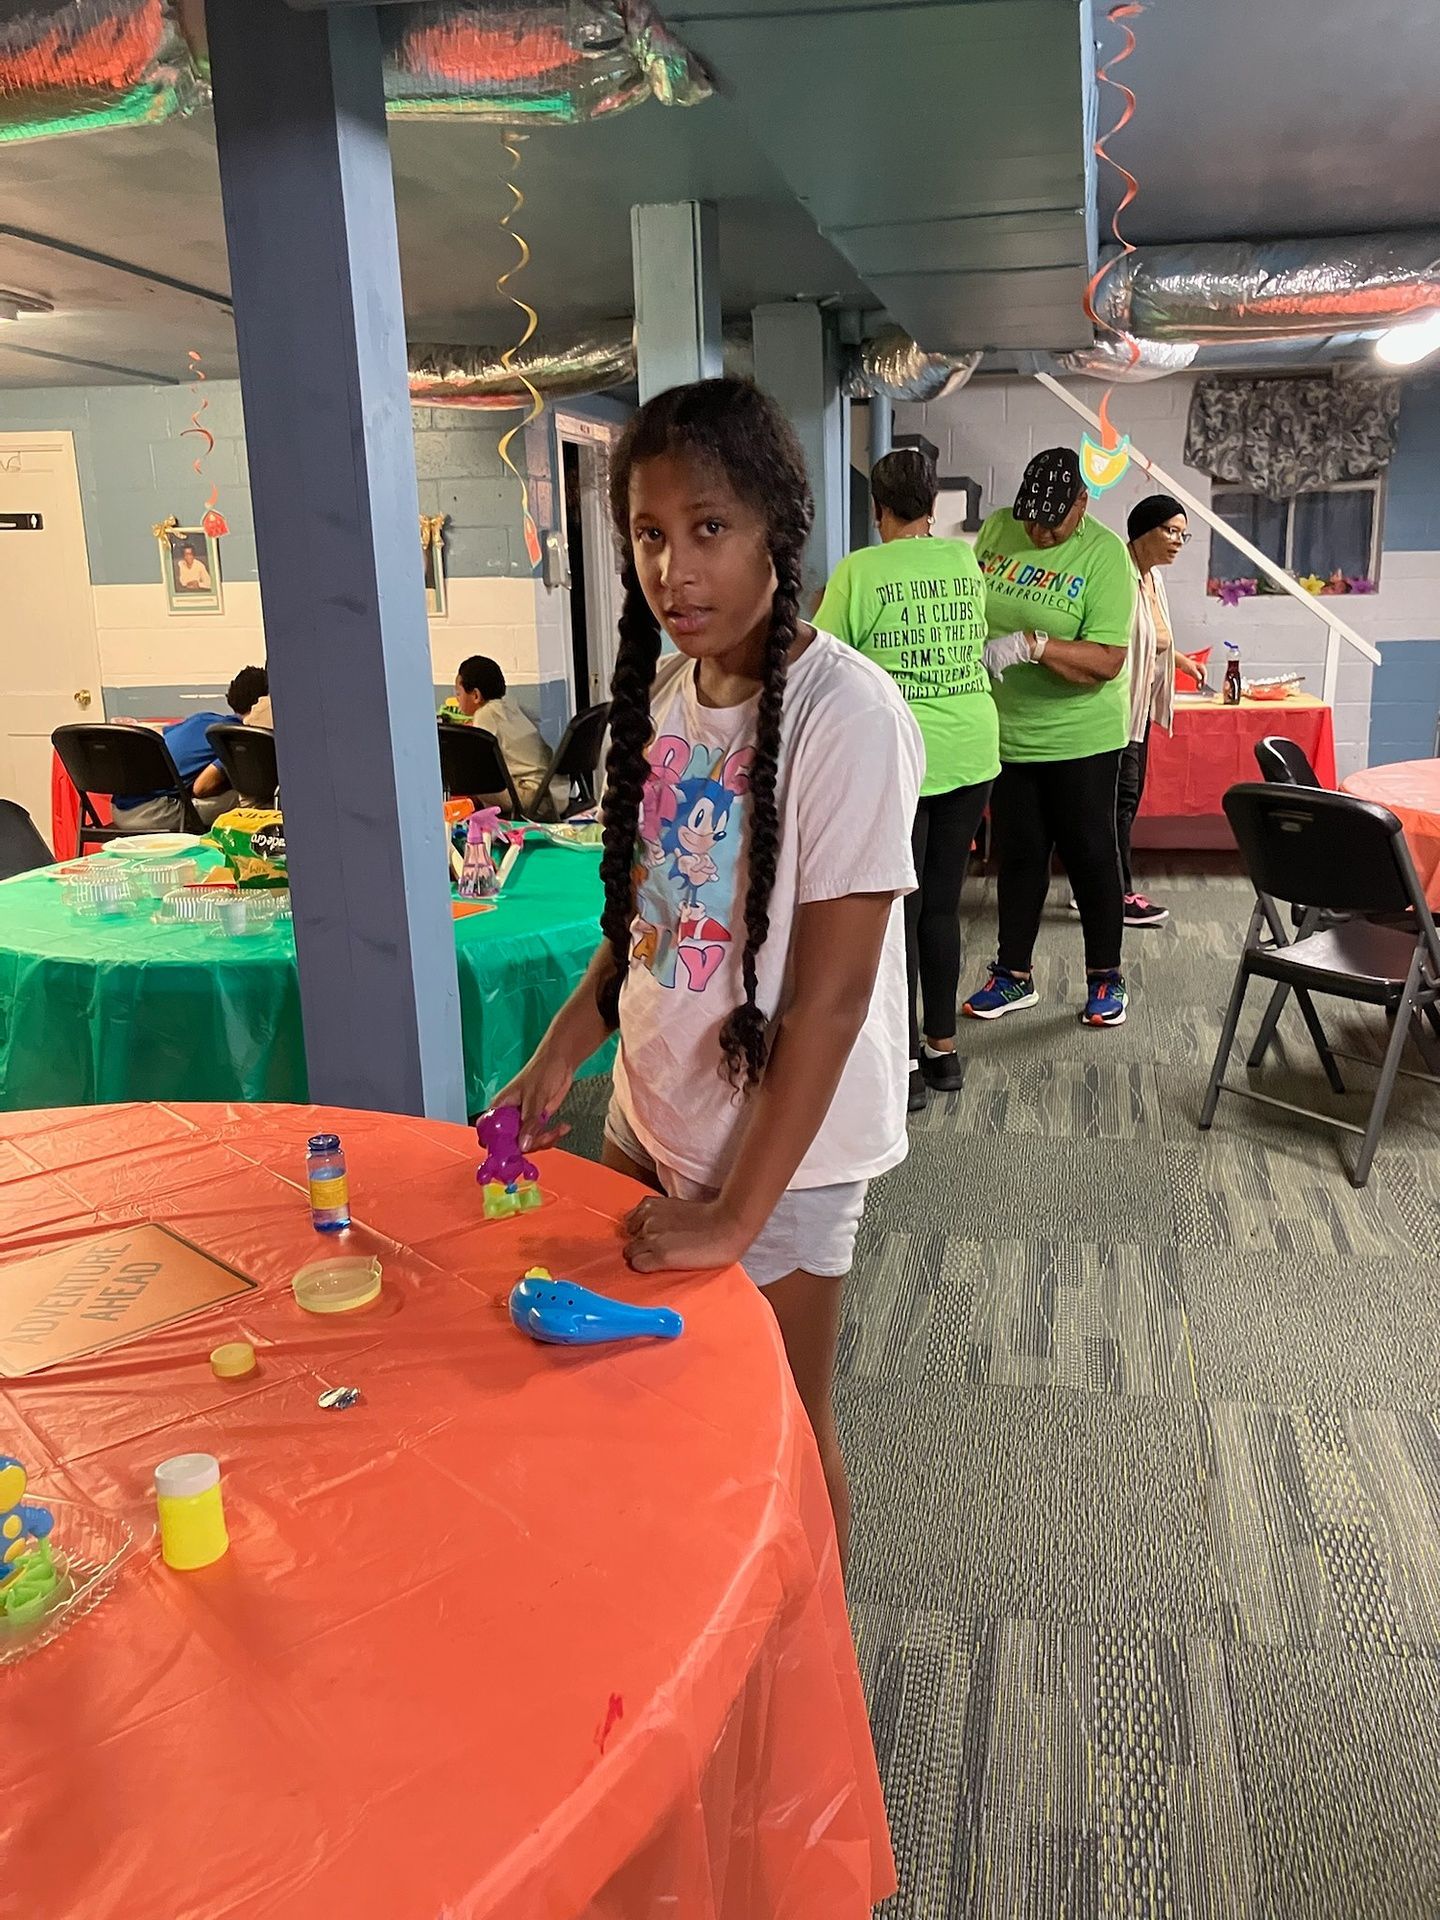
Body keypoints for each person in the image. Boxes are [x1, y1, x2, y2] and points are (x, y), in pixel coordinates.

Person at [494, 378, 923, 1562]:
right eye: (647, 533)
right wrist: (555, 1061)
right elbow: (642, 918)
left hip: (783, 1158)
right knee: (660, 1408)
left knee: (782, 1421)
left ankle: (811, 1677)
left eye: (709, 529)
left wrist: (738, 1215)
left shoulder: (852, 718)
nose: (671, 569)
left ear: (776, 531)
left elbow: (831, 1000)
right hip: (657, 1112)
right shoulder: (670, 699)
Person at [816, 447, 997, 1112]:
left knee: (900, 912)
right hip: (972, 748)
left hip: (900, 756)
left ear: (877, 510)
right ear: (934, 505)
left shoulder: (860, 571)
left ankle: (904, 1068)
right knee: (943, 906)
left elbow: (823, 658)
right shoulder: (964, 562)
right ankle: (944, 1051)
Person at [963, 447, 1137, 1027]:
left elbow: (1108, 660)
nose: (1036, 530)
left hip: (1081, 736)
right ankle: (1013, 976)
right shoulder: (997, 530)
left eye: (1051, 521)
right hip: (1006, 732)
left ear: (1082, 504)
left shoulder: (1106, 555)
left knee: (1090, 855)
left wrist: (1035, 645)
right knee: (1018, 855)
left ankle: (1105, 978)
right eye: (1030, 517)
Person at [1109, 496, 1207, 928]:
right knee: (1118, 803)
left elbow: (1154, 639)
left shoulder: (1153, 580)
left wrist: (1183, 663)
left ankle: (1099, 887)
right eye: (1170, 531)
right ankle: (1115, 895)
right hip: (1115, 712)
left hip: (1140, 709)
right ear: (1143, 530)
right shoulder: (1119, 577)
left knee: (1125, 802)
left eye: (1182, 534)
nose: (1177, 542)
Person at [111, 666, 268, 832]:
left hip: (118, 808)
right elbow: (201, 788)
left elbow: (160, 733)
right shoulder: (236, 737)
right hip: (151, 812)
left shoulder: (203, 718)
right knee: (255, 800)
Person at [452, 655, 567, 816]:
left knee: (466, 780)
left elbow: (476, 762)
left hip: (534, 798)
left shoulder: (485, 714)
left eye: (458, 693)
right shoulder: (511, 705)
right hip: (555, 792)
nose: (457, 700)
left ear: (476, 695)